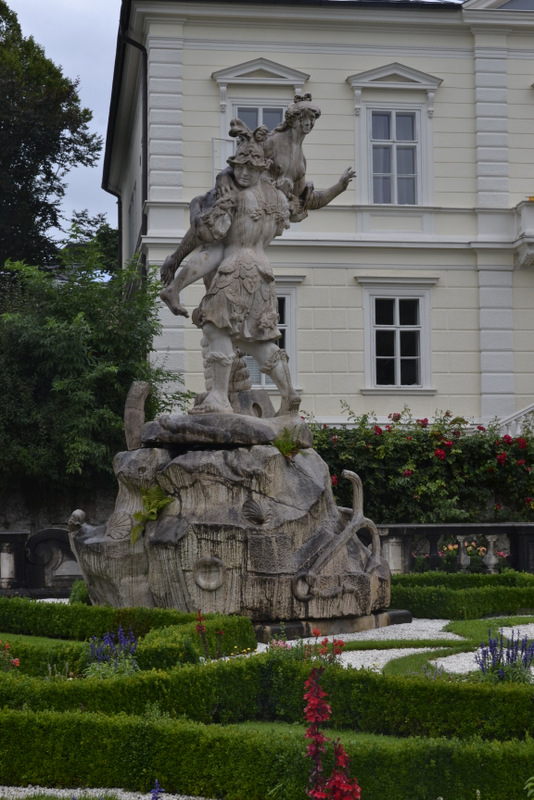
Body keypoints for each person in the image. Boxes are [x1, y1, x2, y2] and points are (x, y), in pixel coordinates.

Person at [159, 95, 355, 317]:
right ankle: (175, 264)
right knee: (209, 235)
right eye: (304, 117)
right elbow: (240, 163)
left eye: (312, 118)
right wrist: (222, 181)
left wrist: (339, 187)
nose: (308, 123)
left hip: (261, 218)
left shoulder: (300, 160)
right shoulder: (272, 142)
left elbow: (305, 201)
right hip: (242, 204)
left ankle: (180, 288)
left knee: (222, 257)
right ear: (293, 119)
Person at [185, 131, 300, 416]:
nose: (244, 174)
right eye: (239, 168)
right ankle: (289, 394)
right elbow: (280, 227)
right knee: (259, 340)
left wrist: (199, 209)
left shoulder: (234, 196)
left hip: (236, 268)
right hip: (264, 273)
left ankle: (219, 397)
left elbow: (213, 238)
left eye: (250, 168)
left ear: (262, 168)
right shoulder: (278, 198)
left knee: (214, 326)